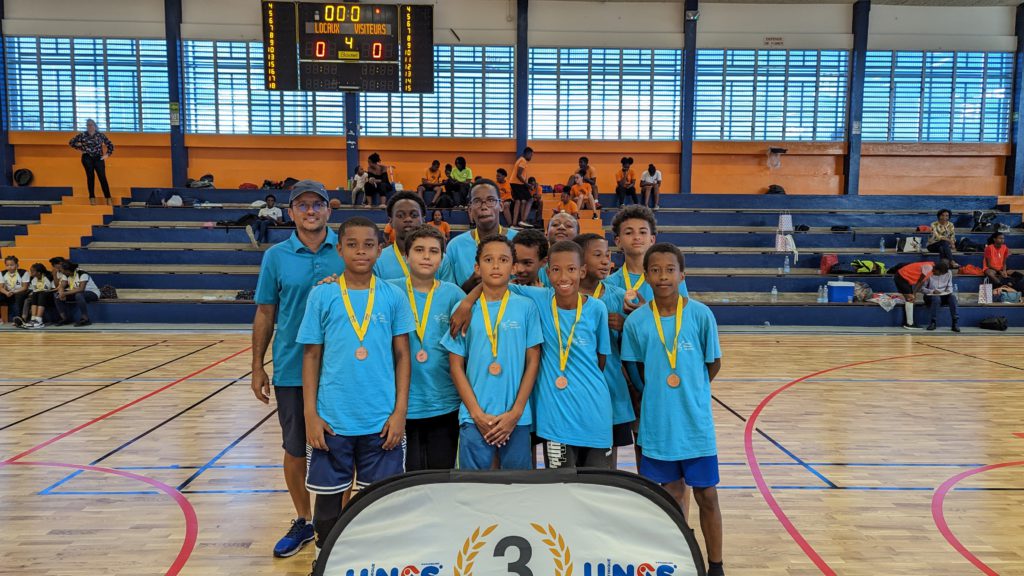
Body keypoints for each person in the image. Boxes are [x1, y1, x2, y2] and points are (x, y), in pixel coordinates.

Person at [297, 216, 414, 565]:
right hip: (333, 420)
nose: (360, 251)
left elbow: (403, 356)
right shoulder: (322, 294)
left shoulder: (393, 296)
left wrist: (400, 412)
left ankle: (376, 564)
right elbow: (311, 355)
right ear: (339, 249)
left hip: (381, 420)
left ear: (380, 249)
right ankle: (325, 562)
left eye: (368, 245)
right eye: (352, 244)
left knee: (380, 503)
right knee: (328, 505)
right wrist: (310, 414)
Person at [251, 180, 345, 559]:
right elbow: (265, 312)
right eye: (302, 205)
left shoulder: (347, 249)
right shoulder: (276, 257)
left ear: (328, 210)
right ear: (290, 212)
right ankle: (304, 520)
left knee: (341, 448)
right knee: (295, 448)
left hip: (340, 371)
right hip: (291, 368)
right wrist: (257, 366)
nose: (310, 211)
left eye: (317, 204)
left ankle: (339, 522)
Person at [621, 243, 725, 576]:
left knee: (707, 495)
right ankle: (678, 559)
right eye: (655, 270)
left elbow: (713, 363)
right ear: (646, 276)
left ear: (682, 275)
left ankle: (716, 566)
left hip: (695, 425)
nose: (663, 276)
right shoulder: (637, 322)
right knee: (668, 498)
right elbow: (633, 368)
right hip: (658, 425)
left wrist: (691, 391)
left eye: (670, 270)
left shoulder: (700, 315)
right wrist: (655, 394)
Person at [441, 235, 543, 470]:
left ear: (514, 267)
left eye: (503, 260)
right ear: (477, 268)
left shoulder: (527, 307)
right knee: (473, 485)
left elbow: (533, 361)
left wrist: (516, 412)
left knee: (517, 486)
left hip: (516, 418)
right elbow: (455, 367)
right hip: (473, 417)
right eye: (488, 259)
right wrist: (476, 414)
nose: (496, 265)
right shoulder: (463, 310)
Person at [388, 225, 466, 470]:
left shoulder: (454, 295)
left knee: (440, 476)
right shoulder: (389, 290)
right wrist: (331, 281)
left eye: (433, 251)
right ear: (406, 255)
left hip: (444, 402)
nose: (426, 256)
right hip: (400, 405)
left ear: (442, 258)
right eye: (419, 250)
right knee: (406, 477)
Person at [574, 233, 636, 465]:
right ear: (580, 260)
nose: (605, 261)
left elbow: (641, 343)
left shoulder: (620, 297)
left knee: (607, 467)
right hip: (572, 392)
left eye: (608, 256)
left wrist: (626, 326)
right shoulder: (562, 297)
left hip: (611, 391)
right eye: (597, 255)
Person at [439, 180, 518, 289]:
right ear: (470, 210)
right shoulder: (455, 246)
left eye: (490, 200)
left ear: (501, 206)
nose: (484, 206)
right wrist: (470, 285)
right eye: (477, 201)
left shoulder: (519, 241)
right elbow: (449, 293)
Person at [606, 205, 690, 304]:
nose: (637, 237)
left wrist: (644, 313)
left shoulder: (672, 278)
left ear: (652, 239)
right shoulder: (608, 284)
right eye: (628, 233)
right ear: (618, 241)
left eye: (642, 232)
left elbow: (684, 311)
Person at [374, 192, 427, 280]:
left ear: (423, 220)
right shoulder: (377, 260)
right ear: (391, 221)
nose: (408, 219)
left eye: (414, 215)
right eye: (400, 215)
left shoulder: (440, 259)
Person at [69, 119, 114, 205]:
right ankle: (92, 198)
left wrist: (107, 155)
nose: (90, 126)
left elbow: (110, 145)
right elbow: (71, 142)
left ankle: (108, 197)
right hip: (87, 158)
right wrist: (80, 148)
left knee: (102, 177)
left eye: (91, 125)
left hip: (98, 158)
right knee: (90, 177)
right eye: (88, 125)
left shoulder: (100, 135)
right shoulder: (82, 135)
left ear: (95, 126)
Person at [892, 260, 941, 329]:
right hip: (901, 277)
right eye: (940, 273)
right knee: (910, 299)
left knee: (911, 300)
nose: (940, 275)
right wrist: (914, 294)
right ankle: (909, 324)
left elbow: (921, 283)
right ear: (937, 270)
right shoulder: (929, 267)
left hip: (905, 278)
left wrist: (914, 294)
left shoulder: (932, 269)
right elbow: (919, 282)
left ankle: (907, 322)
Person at [53, 260, 100, 327]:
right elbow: (62, 286)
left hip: (92, 293)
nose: (61, 271)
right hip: (75, 292)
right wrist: (61, 293)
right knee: (56, 295)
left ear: (67, 270)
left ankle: (85, 319)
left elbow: (81, 289)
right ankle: (64, 319)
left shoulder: (82, 273)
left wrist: (65, 293)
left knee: (79, 295)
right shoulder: (66, 274)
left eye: (62, 270)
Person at [923, 260, 959, 332]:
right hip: (930, 296)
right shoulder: (929, 273)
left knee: (952, 298)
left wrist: (948, 291)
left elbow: (950, 286)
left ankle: (954, 323)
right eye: (938, 273)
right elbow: (922, 288)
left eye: (942, 274)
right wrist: (932, 291)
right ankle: (933, 322)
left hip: (943, 295)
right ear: (936, 270)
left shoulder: (948, 273)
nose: (939, 275)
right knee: (936, 298)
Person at [16, 263, 54, 329]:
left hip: (49, 295)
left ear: (39, 273)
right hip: (38, 295)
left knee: (41, 293)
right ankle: (33, 319)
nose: (30, 272)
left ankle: (39, 320)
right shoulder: (33, 279)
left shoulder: (48, 277)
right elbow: (33, 289)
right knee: (34, 294)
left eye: (32, 271)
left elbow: (49, 289)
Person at [1, 256, 29, 325]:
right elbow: (0, 287)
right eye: (7, 265)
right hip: (8, 292)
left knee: (18, 297)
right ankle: (1, 318)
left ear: (17, 265)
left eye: (11, 265)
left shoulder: (23, 272)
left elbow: (25, 287)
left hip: (20, 292)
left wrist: (14, 292)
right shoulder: (2, 273)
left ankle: (17, 319)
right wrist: (6, 293)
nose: (9, 267)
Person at [511, 147, 534, 228]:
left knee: (519, 201)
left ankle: (514, 224)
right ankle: (523, 220)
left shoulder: (520, 160)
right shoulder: (523, 161)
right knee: (530, 199)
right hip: (517, 183)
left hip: (514, 183)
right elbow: (519, 175)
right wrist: (527, 184)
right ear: (527, 153)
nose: (531, 157)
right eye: (531, 155)